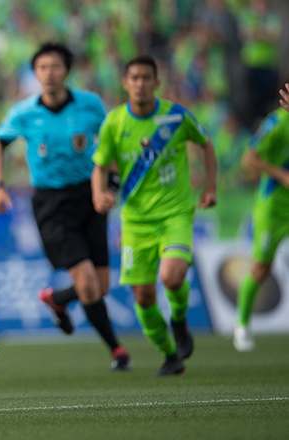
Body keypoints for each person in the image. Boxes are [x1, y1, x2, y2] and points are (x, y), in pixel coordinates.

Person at [0, 43, 130, 371]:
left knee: (101, 286)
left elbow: (110, 142)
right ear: (35, 73)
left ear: (66, 71)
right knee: (87, 283)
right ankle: (117, 350)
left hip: (90, 196)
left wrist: (111, 184)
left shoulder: (90, 105)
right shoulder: (24, 111)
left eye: (55, 67)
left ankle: (57, 299)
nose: (48, 73)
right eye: (41, 67)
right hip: (51, 202)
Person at [91, 55, 217, 376]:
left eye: (147, 78)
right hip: (134, 222)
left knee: (171, 277)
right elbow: (101, 165)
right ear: (125, 83)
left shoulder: (175, 116)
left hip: (175, 213)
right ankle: (170, 355)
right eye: (134, 78)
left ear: (156, 83)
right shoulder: (115, 122)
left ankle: (179, 316)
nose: (140, 84)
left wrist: (210, 188)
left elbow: (206, 144)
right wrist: (99, 193)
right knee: (144, 298)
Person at [235, 97, 289, 352]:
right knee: (261, 269)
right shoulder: (276, 122)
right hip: (274, 206)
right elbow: (249, 159)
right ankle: (242, 325)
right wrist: (281, 174)